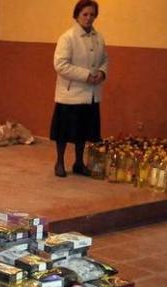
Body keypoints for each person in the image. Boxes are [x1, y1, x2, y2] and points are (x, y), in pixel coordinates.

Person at [50, 0, 108, 178]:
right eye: (85, 14)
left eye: (92, 14)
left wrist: (101, 72)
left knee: (83, 130)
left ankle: (79, 162)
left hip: (90, 94)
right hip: (71, 93)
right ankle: (59, 162)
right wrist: (86, 75)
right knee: (64, 132)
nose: (89, 18)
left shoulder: (99, 38)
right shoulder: (67, 37)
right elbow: (60, 64)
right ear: (77, 16)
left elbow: (105, 59)